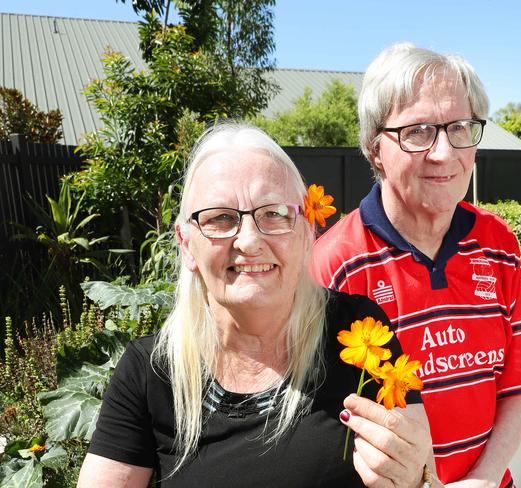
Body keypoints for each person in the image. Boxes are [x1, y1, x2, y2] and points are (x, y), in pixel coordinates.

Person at [77, 122, 436, 488]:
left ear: (306, 230)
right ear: (186, 245)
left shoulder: (361, 332)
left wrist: (416, 481)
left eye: (274, 213)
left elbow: (427, 475)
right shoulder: (151, 371)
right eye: (220, 218)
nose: (249, 241)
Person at [311, 43, 521, 488]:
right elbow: (321, 435)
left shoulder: (497, 244)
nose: (444, 153)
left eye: (460, 127)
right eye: (419, 131)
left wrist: (483, 479)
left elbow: (520, 385)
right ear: (374, 149)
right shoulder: (335, 265)